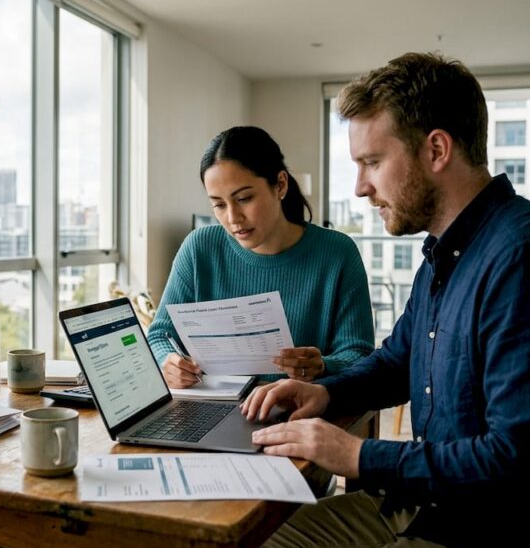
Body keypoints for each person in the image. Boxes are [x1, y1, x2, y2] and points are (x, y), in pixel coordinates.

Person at [243, 53, 530, 548]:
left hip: (508, 531)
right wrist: (325, 393)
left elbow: (514, 461)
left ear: (436, 149)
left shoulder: (529, 259)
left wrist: (361, 455)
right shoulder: (444, 252)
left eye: (372, 163)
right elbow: (397, 360)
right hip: (435, 506)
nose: (361, 187)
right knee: (258, 545)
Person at [147, 126, 374, 388]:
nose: (233, 219)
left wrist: (323, 365)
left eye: (244, 198)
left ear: (280, 185)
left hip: (298, 414)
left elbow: (359, 355)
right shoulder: (199, 249)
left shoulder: (337, 253)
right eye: (219, 205)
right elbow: (159, 336)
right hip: (211, 409)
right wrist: (169, 362)